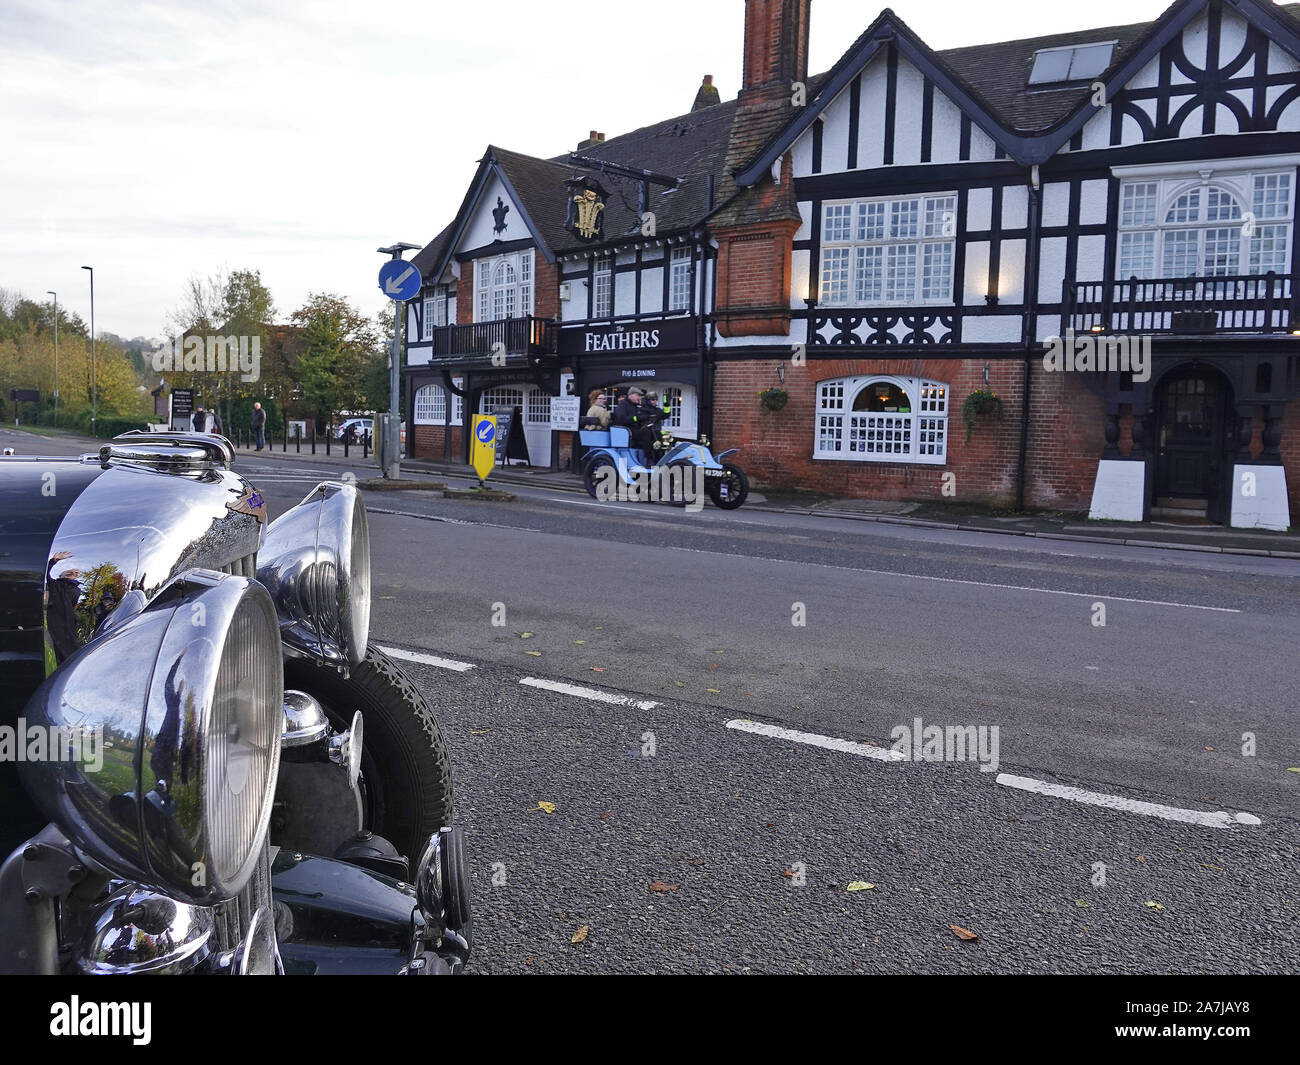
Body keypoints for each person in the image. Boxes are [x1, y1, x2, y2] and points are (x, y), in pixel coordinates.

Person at [612, 386, 657, 457]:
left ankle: (655, 456)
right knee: (646, 432)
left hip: (633, 431)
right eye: (638, 395)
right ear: (631, 395)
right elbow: (622, 420)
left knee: (654, 432)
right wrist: (637, 418)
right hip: (626, 431)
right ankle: (648, 457)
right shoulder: (623, 405)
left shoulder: (635, 406)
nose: (639, 398)